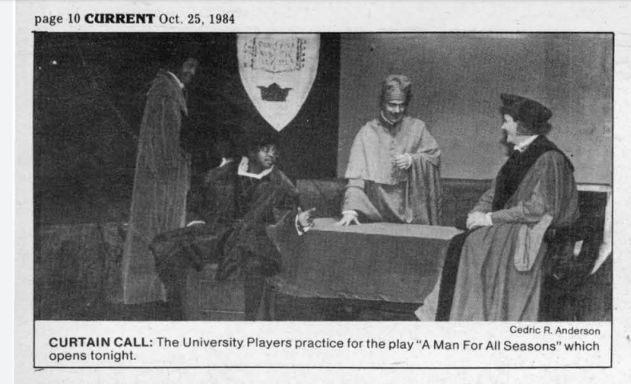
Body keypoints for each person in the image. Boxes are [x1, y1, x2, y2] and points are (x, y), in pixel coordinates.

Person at [436, 93, 579, 321]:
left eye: (507, 120)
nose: (503, 126)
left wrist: (489, 219)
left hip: (534, 231)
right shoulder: (518, 156)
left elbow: (537, 209)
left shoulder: (549, 157)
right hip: (513, 223)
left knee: (473, 244)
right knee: (465, 240)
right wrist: (477, 214)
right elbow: (494, 192)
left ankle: (480, 316)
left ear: (521, 125)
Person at [150, 133, 315, 319]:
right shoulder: (224, 172)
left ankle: (251, 327)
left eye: (275, 152)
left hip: (254, 241)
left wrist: (299, 221)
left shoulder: (280, 183)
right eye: (265, 150)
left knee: (255, 265)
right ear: (251, 152)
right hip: (217, 235)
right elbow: (196, 199)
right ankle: (180, 317)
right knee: (166, 245)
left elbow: (290, 213)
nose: (271, 155)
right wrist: (195, 220)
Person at [121, 57, 199, 304]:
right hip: (164, 180)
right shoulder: (166, 92)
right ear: (176, 63)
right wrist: (180, 166)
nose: (192, 72)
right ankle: (155, 293)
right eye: (189, 65)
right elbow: (167, 143)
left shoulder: (167, 90)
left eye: (195, 67)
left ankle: (156, 292)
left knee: (157, 233)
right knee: (160, 232)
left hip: (162, 177)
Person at [338, 74, 441, 226]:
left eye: (402, 105)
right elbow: (356, 177)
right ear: (382, 103)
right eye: (392, 104)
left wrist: (413, 160)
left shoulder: (417, 128)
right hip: (376, 211)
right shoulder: (367, 132)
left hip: (410, 212)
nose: (397, 110)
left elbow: (433, 157)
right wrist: (350, 209)